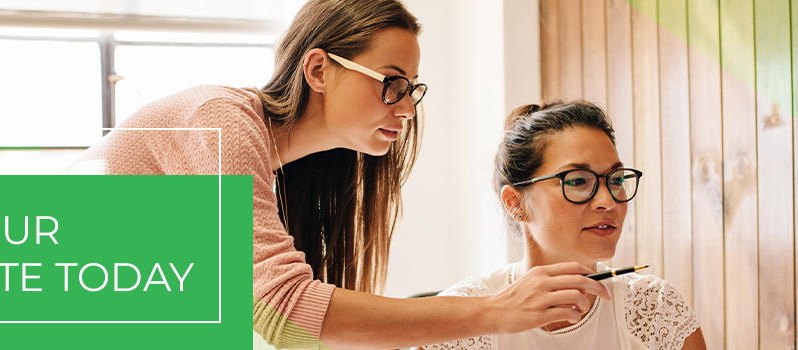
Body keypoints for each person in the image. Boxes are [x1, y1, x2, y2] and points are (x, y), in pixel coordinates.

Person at [71, 1, 610, 348]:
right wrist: (493, 312)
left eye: (413, 88)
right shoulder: (221, 121)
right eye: (391, 82)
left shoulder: (290, 169)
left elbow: (287, 329)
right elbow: (284, 313)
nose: (406, 106)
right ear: (319, 69)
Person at [417, 101, 707, 350]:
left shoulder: (654, 308)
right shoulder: (463, 316)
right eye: (578, 181)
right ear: (515, 203)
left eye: (616, 180)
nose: (608, 201)